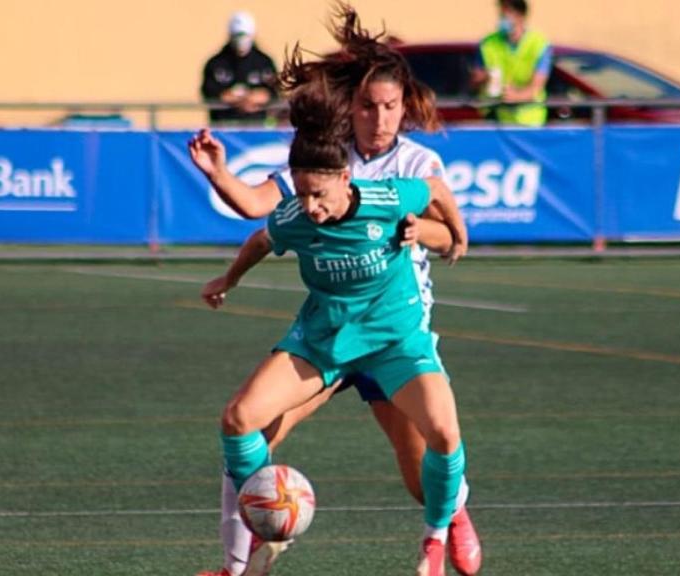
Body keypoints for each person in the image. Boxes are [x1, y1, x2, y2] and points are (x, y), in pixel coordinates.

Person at [190, 5, 482, 576]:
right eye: (369, 106)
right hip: (328, 330)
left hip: (393, 328)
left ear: (404, 108)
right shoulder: (324, 156)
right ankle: (241, 562)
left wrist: (417, 231)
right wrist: (218, 174)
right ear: (352, 105)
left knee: (415, 463)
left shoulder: (416, 163)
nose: (379, 118)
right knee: (257, 433)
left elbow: (446, 227)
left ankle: (454, 512)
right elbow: (257, 209)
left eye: (390, 107)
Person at [472, 0, 552, 126]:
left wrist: (516, 96)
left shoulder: (539, 44)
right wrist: (484, 77)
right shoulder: (488, 44)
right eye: (501, 14)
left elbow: (537, 86)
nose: (502, 19)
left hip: (530, 121)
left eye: (507, 14)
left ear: (520, 16)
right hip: (495, 119)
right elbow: (474, 81)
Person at [200, 11, 279, 125]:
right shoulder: (216, 64)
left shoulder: (264, 63)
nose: (241, 40)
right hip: (224, 126)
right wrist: (238, 99)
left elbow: (273, 92)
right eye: (237, 36)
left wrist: (254, 98)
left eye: (244, 35)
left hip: (258, 127)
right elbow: (210, 94)